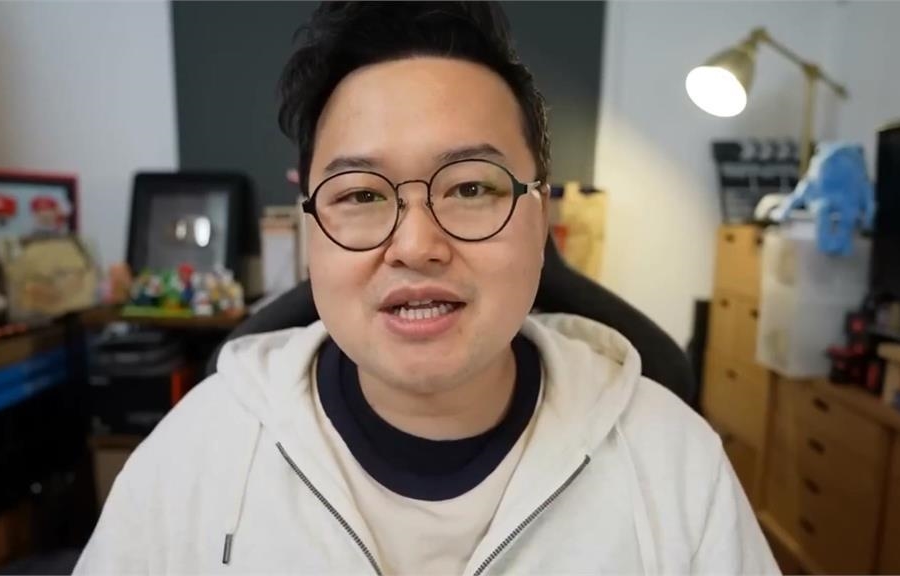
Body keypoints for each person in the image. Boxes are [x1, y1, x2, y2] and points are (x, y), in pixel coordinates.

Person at [75, 3, 778, 574]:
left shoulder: (674, 465)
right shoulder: (195, 455)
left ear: (541, 217)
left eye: (470, 188)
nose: (416, 245)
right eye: (360, 194)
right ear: (310, 227)